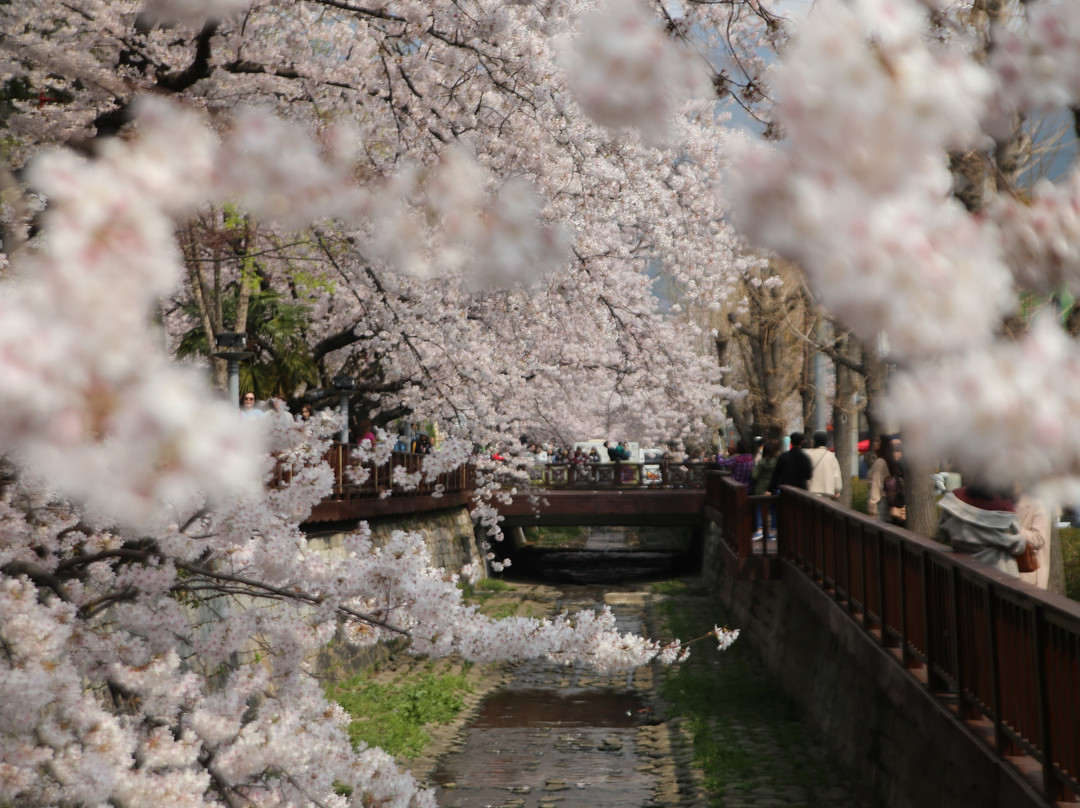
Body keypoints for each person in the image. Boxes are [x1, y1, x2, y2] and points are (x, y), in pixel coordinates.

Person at [937, 482, 1028, 576]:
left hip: (961, 572)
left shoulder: (957, 497)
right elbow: (1018, 547)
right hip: (998, 575)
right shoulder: (1005, 507)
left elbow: (943, 532)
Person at [1017, 488, 1052, 589]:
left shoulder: (1037, 503)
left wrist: (1012, 528)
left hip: (1028, 574)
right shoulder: (1000, 500)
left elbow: (1038, 538)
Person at [751, 438, 780, 540]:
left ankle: (759, 530)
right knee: (773, 511)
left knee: (759, 509)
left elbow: (754, 475)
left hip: (761, 489)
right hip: (772, 490)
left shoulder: (762, 462)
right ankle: (773, 531)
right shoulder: (777, 462)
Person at [806, 431, 842, 500]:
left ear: (814, 441)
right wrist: (837, 490)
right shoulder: (831, 456)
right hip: (827, 492)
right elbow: (836, 475)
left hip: (810, 491)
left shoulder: (808, 454)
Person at [880, 436, 905, 527]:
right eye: (892, 449)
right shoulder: (885, 465)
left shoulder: (904, 468)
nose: (894, 453)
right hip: (893, 514)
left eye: (898, 449)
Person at [866, 435, 891, 521]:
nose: (874, 443)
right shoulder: (883, 460)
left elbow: (876, 484)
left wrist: (872, 507)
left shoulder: (880, 462)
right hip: (882, 501)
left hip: (879, 503)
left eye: (878, 441)